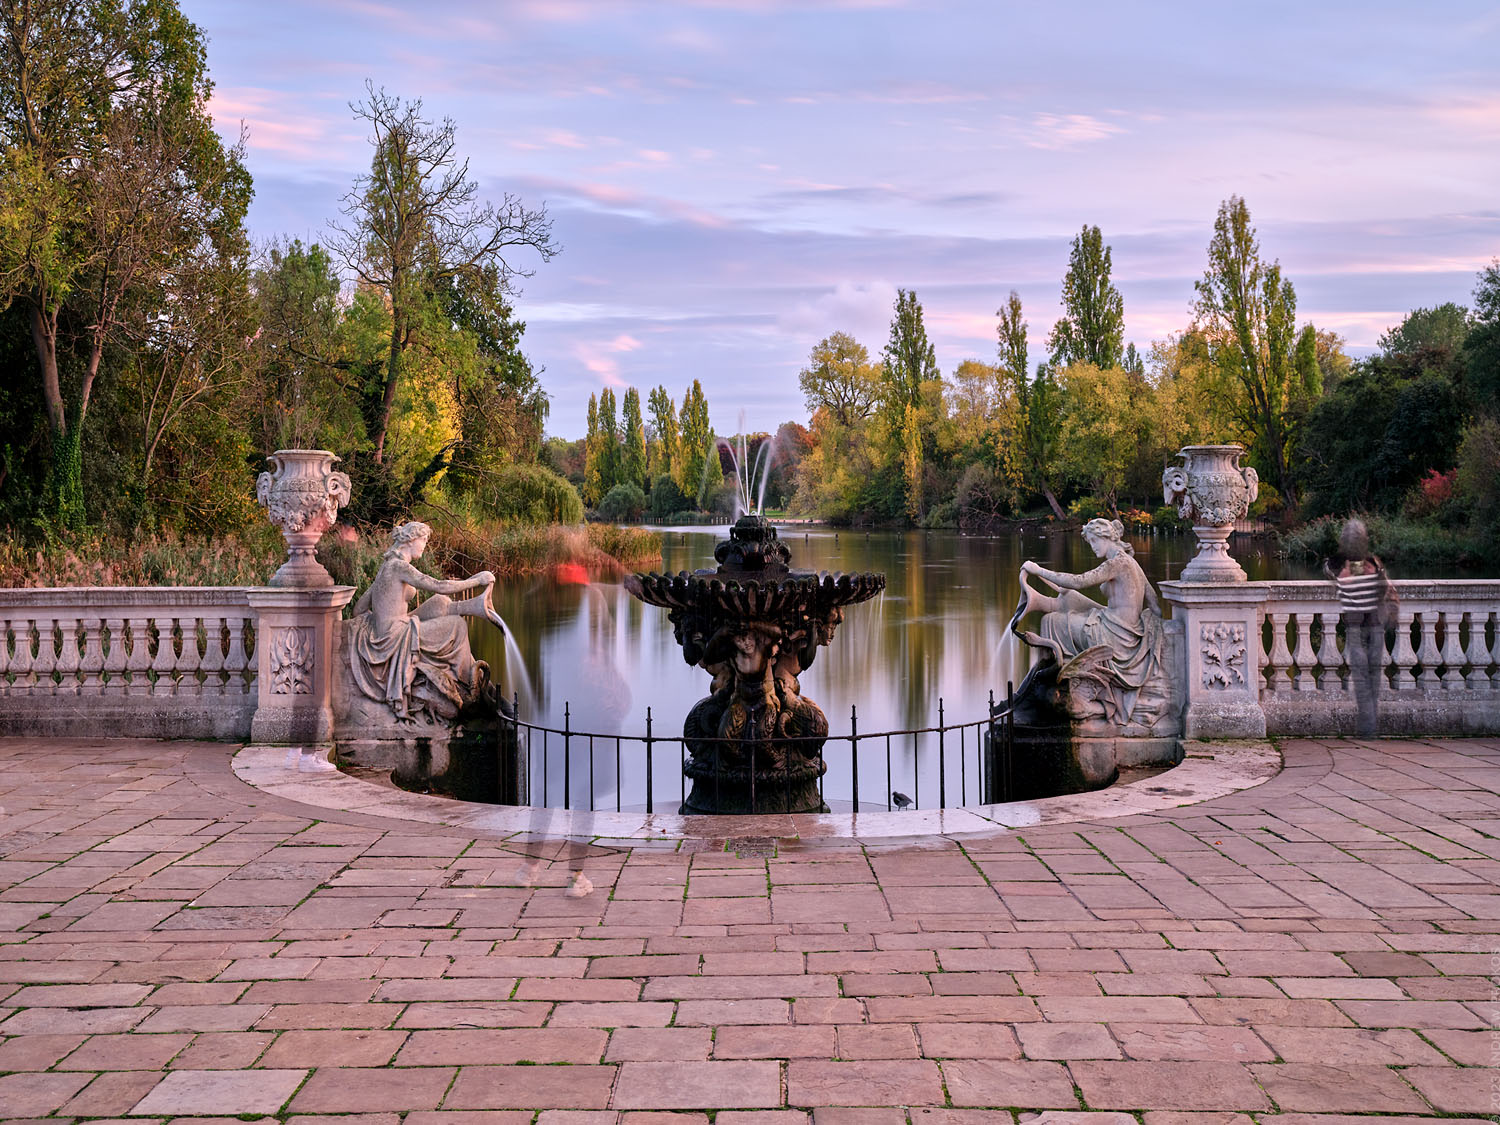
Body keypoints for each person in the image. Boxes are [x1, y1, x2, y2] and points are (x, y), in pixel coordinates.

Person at [1014, 517, 1165, 726]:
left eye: (1093, 541)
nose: (1092, 547)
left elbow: (1079, 580)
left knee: (1051, 622)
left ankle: (1053, 686)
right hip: (1124, 630)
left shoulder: (1117, 563)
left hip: (1115, 636)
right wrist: (1155, 627)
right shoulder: (1131, 563)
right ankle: (1047, 685)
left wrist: (1039, 570)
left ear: (1105, 537)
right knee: (1066, 607)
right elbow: (1154, 603)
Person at [346, 521, 497, 722]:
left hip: (390, 629)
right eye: (424, 540)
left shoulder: (386, 567)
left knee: (440, 603)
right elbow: (439, 584)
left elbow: (359, 609)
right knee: (458, 626)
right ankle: (469, 687)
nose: (425, 546)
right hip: (396, 635)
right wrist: (477, 580)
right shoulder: (399, 567)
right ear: (411, 539)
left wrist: (382, 618)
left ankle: (473, 607)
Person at [1325, 518, 1387, 738]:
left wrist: (1375, 577)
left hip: (1370, 627)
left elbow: (1383, 592)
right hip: (1360, 628)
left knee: (1367, 676)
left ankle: (1368, 725)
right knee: (1366, 676)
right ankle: (1368, 725)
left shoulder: (1371, 563)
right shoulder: (1345, 564)